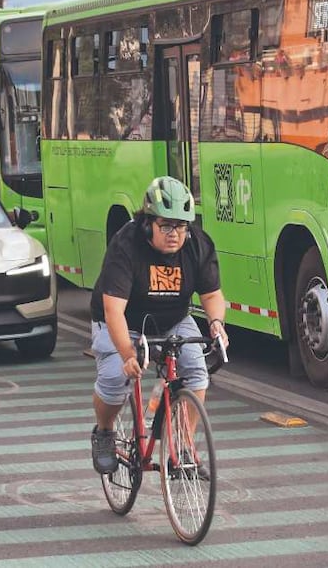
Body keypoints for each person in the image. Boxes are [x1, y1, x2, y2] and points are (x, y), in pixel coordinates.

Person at [89, 175, 229, 474]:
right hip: (124, 321)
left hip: (173, 318)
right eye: (166, 225)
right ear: (147, 222)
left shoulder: (198, 245)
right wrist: (128, 354)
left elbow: (213, 294)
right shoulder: (126, 245)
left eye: (181, 226)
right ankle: (103, 432)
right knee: (115, 378)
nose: (175, 234)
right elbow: (113, 310)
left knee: (195, 371)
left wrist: (217, 324)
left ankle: (183, 447)